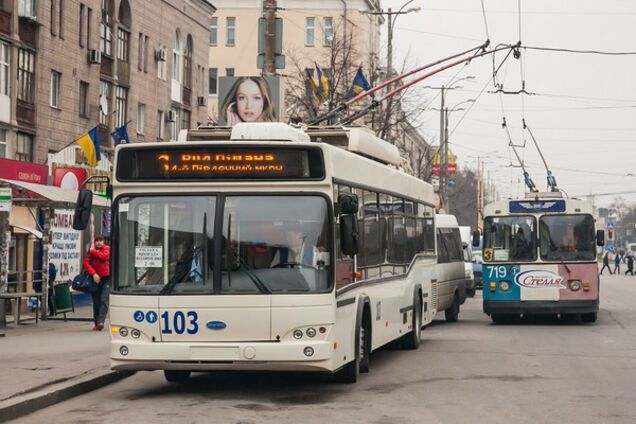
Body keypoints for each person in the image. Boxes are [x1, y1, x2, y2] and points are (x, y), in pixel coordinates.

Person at [84, 234, 110, 331]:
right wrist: (94, 274)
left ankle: (101, 322)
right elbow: (86, 263)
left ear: (103, 242)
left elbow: (104, 257)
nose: (98, 242)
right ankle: (96, 322)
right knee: (96, 301)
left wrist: (92, 251)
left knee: (104, 300)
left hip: (106, 278)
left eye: (100, 240)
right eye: (97, 241)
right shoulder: (91, 251)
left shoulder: (106, 248)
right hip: (95, 279)